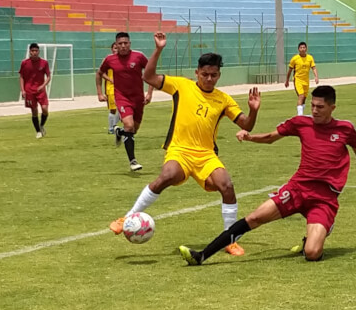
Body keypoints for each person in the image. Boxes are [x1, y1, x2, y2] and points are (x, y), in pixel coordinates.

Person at [178, 85, 356, 265]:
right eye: (312, 105)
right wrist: (250, 137)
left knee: (312, 253)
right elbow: (271, 137)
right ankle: (201, 255)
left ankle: (315, 236)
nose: (315, 110)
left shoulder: (345, 128)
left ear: (332, 107)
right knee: (254, 218)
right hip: (298, 189)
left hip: (324, 198)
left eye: (320, 107)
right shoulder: (301, 123)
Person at [109, 32, 261, 257]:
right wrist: (159, 49)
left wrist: (253, 110)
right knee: (167, 176)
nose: (209, 79)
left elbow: (246, 124)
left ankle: (230, 239)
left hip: (206, 155)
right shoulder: (181, 85)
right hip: (179, 150)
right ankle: (127, 217)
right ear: (197, 72)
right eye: (205, 74)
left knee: (227, 186)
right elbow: (148, 77)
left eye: (214, 75)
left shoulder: (223, 99)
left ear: (219, 75)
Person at [97, 32, 154, 171]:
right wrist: (99, 92)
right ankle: (133, 161)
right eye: (120, 44)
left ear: (130, 43)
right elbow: (99, 73)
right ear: (116, 45)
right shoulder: (110, 59)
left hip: (138, 98)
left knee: (133, 129)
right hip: (122, 97)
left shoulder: (138, 57)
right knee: (129, 126)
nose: (123, 46)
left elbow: (150, 73)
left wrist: (150, 93)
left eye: (125, 43)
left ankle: (119, 132)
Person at [19, 43, 51, 139]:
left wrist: (43, 85)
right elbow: (21, 77)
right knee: (34, 111)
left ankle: (41, 125)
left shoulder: (44, 63)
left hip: (40, 90)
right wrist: (23, 90)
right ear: (30, 52)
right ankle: (38, 131)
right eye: (32, 51)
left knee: (45, 109)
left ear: (38, 51)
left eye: (36, 51)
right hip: (29, 91)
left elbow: (49, 76)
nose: (34, 53)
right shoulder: (24, 63)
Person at [284, 42, 319, 116]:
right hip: (298, 80)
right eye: (301, 48)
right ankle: (300, 115)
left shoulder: (310, 58)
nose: (302, 49)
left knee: (304, 99)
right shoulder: (295, 59)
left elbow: (313, 68)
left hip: (306, 81)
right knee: (301, 95)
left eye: (304, 47)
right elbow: (290, 70)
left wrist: (316, 77)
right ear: (298, 49)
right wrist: (287, 80)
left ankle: (301, 114)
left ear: (306, 48)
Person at [95, 42, 121, 134]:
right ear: (112, 49)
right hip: (111, 88)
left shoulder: (124, 60)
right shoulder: (108, 60)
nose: (116, 50)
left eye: (117, 48)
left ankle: (114, 126)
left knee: (124, 107)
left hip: (122, 87)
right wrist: (110, 79)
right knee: (113, 109)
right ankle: (111, 128)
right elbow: (100, 73)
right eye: (115, 48)